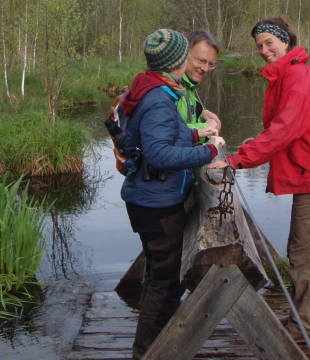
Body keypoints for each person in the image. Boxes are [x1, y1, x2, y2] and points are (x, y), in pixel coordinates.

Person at [208, 17, 310, 344]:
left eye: (270, 43)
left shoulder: (298, 76)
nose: (265, 50)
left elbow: (283, 131)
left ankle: (305, 330)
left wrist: (237, 159)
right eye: (259, 46)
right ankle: (301, 317)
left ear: (286, 42)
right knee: (298, 250)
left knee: (303, 256)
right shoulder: (288, 74)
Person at [120, 29, 225, 359]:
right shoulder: (159, 100)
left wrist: (198, 133)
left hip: (151, 200)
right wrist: (208, 151)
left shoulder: (156, 90)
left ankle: (154, 347)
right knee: (165, 287)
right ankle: (147, 353)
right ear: (179, 60)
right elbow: (159, 154)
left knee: (158, 280)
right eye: (192, 57)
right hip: (158, 205)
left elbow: (167, 139)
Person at [176, 30, 222, 144]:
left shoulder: (189, 85)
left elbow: (187, 113)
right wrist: (206, 127)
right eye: (201, 61)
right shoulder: (172, 87)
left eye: (211, 64)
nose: (206, 69)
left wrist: (202, 112)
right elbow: (167, 134)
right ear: (184, 54)